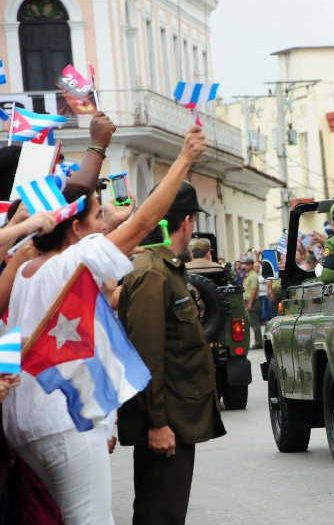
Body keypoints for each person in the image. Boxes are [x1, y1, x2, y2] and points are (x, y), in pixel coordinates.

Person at [2, 125, 206, 525]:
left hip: (22, 419)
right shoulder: (74, 260)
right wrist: (184, 158)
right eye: (98, 216)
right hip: (63, 421)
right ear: (75, 227)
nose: (105, 225)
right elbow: (145, 222)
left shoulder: (23, 266)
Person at [117, 180, 226, 525]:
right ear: (188, 222)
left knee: (165, 512)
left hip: (177, 418)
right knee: (159, 515)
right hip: (168, 423)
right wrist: (158, 423)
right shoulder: (152, 274)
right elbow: (147, 356)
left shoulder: (166, 269)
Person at [241, 255, 262, 349]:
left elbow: (253, 290)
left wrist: (250, 303)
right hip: (249, 301)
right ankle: (258, 342)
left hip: (253, 302)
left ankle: (258, 342)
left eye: (246, 264)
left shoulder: (253, 276)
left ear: (251, 265)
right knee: (253, 323)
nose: (244, 266)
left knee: (255, 323)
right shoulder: (248, 275)